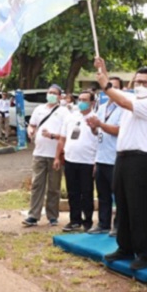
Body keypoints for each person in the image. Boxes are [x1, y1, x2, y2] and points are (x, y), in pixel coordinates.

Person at [96, 57, 147, 271]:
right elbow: (117, 94)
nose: (141, 86)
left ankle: (143, 253)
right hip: (122, 157)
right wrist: (103, 70)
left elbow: (121, 99)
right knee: (122, 204)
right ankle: (124, 247)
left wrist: (105, 84)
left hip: (140, 160)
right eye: (137, 82)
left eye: (146, 82)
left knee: (138, 206)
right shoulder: (130, 99)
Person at [22, 85, 69, 227]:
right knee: (37, 184)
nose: (51, 95)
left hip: (55, 154)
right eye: (49, 92)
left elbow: (66, 135)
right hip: (39, 153)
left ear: (60, 96)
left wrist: (52, 136)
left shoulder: (64, 112)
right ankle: (33, 215)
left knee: (53, 187)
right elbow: (32, 125)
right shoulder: (39, 109)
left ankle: (52, 216)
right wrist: (30, 131)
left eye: (54, 93)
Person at [55, 90, 99, 232]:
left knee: (86, 192)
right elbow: (63, 138)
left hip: (88, 161)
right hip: (70, 160)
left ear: (92, 102)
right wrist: (58, 156)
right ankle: (75, 220)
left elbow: (100, 142)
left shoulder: (96, 118)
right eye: (80, 99)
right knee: (72, 192)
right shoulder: (71, 117)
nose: (81, 102)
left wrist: (96, 162)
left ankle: (88, 221)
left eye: (85, 100)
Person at [87, 76, 124, 235]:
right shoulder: (101, 108)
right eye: (108, 87)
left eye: (115, 87)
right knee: (103, 195)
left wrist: (100, 125)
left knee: (120, 196)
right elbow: (98, 132)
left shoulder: (124, 108)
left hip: (116, 158)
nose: (111, 90)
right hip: (101, 157)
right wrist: (93, 127)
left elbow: (119, 130)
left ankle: (119, 226)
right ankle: (103, 223)